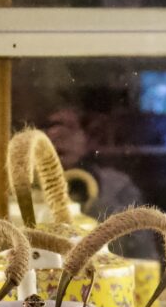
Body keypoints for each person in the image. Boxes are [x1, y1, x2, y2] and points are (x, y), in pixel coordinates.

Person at [43, 106, 158, 260]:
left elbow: (144, 256)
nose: (55, 134)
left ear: (89, 138)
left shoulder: (119, 187)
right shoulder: (23, 187)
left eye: (69, 127)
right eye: (48, 127)